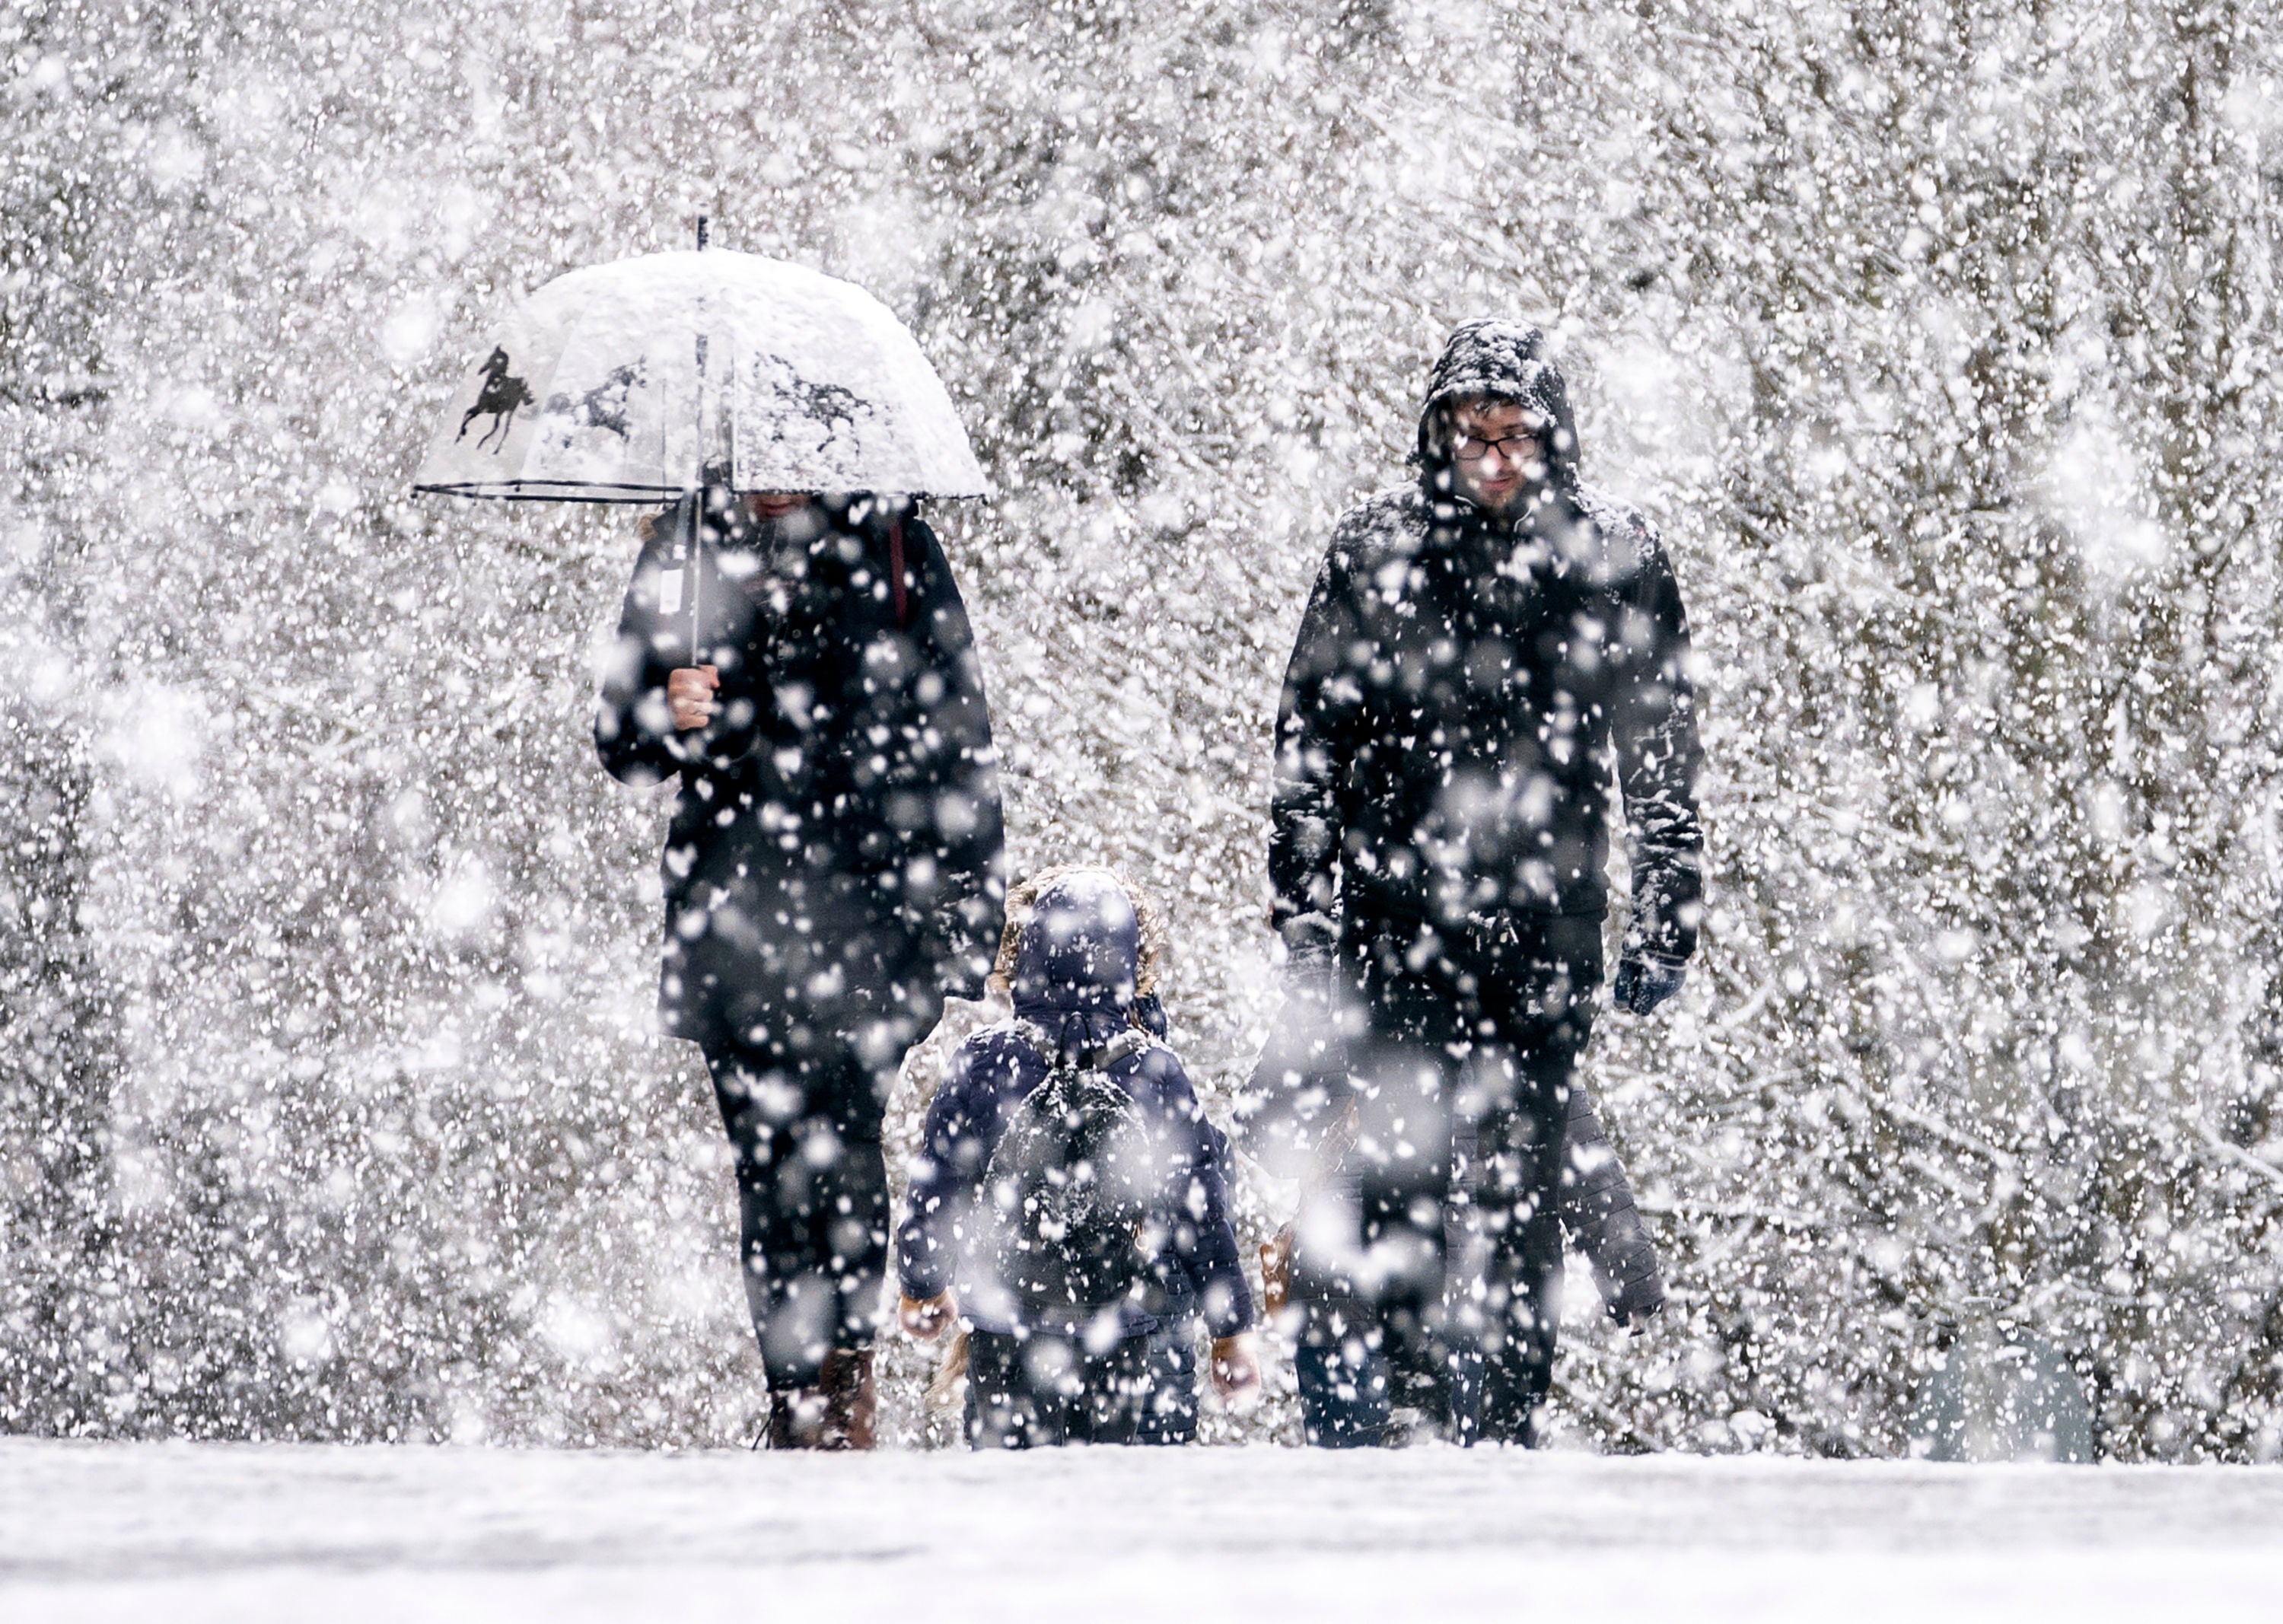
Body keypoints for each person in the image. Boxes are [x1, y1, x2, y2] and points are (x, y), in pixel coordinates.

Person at [1245, 319, 1702, 1447]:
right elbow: (1309, 754)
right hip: (1396, 927)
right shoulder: (1374, 555)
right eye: (1475, 435)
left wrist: (1670, 908)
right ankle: (1404, 1411)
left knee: (1519, 1188)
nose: (1495, 457)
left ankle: (1500, 1418)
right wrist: (1306, 921)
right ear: (1439, 436)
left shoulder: (1612, 561)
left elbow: (1662, 756)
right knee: (1397, 1178)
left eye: (1517, 436)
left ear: (1554, 439)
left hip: (1545, 932)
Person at [595, 486, 1005, 1449]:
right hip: (734, 922)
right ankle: (797, 1398)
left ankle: (841, 1383)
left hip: (869, 917)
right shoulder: (685, 549)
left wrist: (961, 929)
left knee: (844, 1150)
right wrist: (666, 708)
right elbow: (623, 742)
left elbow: (961, 741)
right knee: (768, 1172)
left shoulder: (899, 547)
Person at [896, 867, 1260, 1447]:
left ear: (1024, 954)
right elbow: (1203, 1211)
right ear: (1134, 963)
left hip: (1004, 1323)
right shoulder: (1155, 1067)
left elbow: (940, 1185)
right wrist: (1229, 1330)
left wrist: (922, 1282)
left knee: (1004, 1496)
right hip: (1120, 1326)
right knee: (1110, 1496)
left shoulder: (984, 1060)